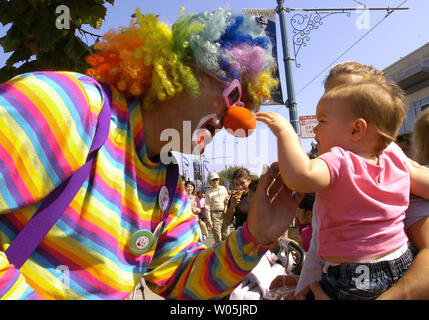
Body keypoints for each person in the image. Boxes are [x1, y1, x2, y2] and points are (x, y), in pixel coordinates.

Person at [0, 8, 297, 300]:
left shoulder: (169, 185)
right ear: (180, 71)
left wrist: (254, 236)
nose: (236, 121)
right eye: (233, 95)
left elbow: (181, 278)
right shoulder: (67, 105)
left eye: (246, 106)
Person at [257, 79, 429, 299]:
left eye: (322, 121)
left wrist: (285, 133)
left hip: (356, 275)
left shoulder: (340, 159)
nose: (316, 129)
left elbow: (300, 176)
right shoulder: (394, 159)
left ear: (357, 129)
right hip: (401, 262)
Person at [204, 171, 229, 244]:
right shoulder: (208, 192)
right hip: (215, 215)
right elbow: (207, 206)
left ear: (219, 179)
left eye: (216, 179)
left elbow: (227, 197)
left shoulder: (223, 188)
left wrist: (227, 199)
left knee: (226, 236)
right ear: (210, 181)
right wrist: (209, 220)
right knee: (218, 238)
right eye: (213, 180)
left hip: (224, 213)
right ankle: (219, 254)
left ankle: (226, 253)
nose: (215, 181)